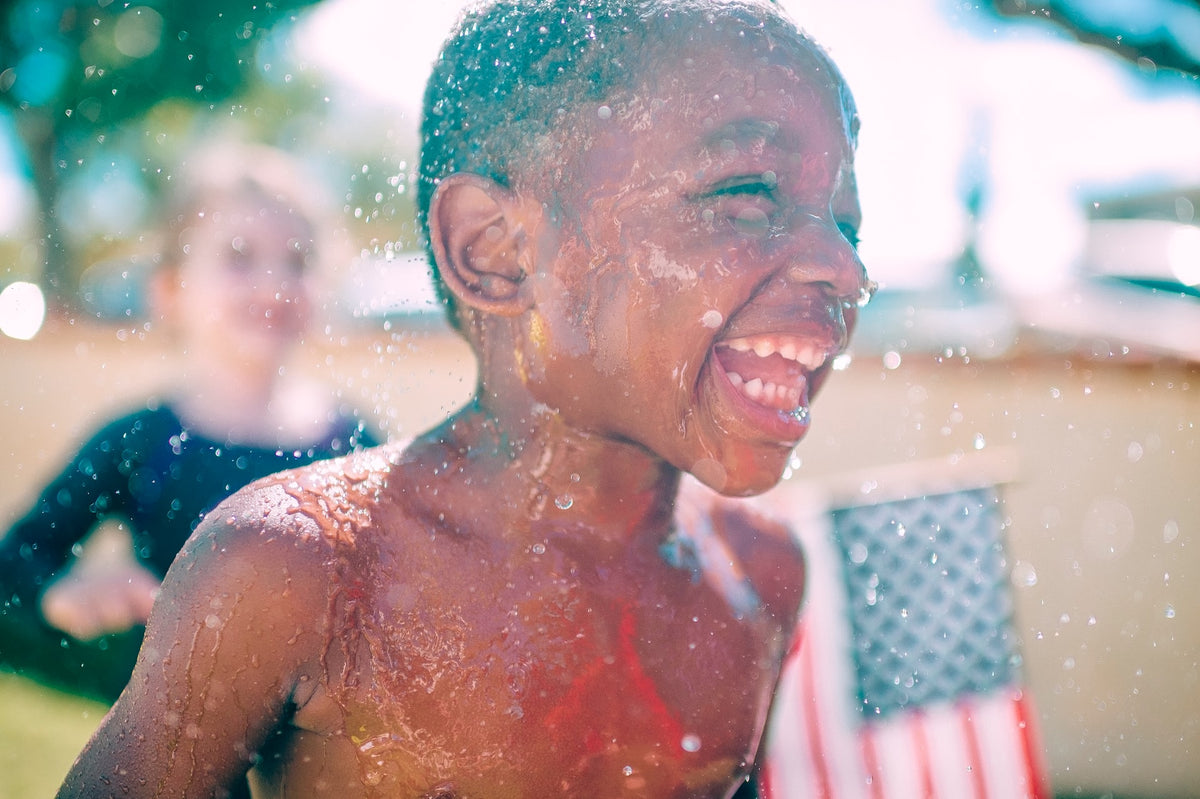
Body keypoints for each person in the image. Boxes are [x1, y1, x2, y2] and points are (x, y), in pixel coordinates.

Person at [59, 1, 871, 795]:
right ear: (495, 249)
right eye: (748, 191)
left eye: (846, 223)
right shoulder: (305, 571)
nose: (845, 268)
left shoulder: (760, 575)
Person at [0, 139, 377, 702]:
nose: (273, 285)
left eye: (296, 261)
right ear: (171, 290)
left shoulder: (354, 447)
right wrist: (60, 595)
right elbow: (15, 564)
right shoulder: (141, 442)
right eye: (239, 256)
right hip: (173, 758)